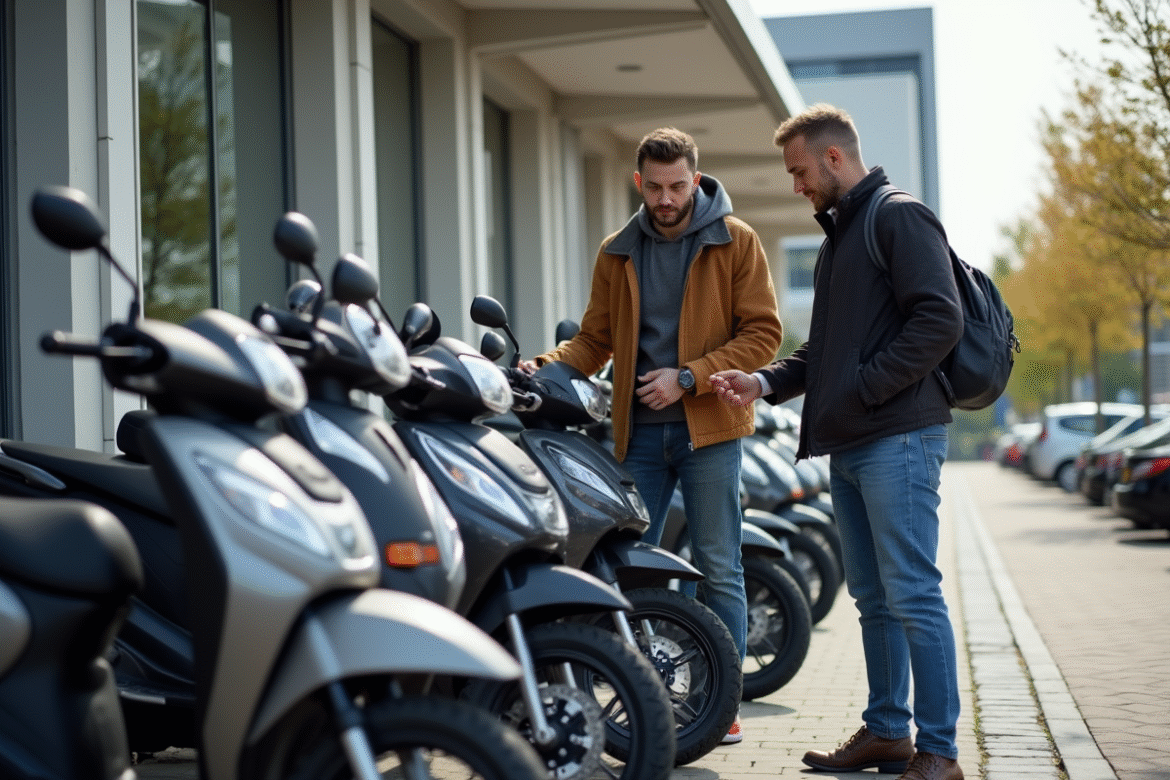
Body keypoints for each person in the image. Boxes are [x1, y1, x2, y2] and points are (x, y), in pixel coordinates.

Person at [710, 104, 965, 780]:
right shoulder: (837, 241)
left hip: (900, 438)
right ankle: (888, 731)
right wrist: (761, 383)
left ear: (832, 158)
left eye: (799, 171)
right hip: (854, 443)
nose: (795, 185)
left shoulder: (897, 216)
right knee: (874, 598)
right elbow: (823, 353)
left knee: (913, 592)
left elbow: (941, 317)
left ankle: (939, 750)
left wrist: (866, 387)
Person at [522, 127, 783, 744]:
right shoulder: (618, 249)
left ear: (696, 179)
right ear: (639, 182)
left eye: (677, 186)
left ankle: (722, 705)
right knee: (628, 567)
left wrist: (688, 377)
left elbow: (763, 336)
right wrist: (546, 366)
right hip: (638, 435)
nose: (666, 199)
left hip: (711, 431)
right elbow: (594, 338)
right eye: (655, 187)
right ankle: (638, 695)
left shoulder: (735, 241)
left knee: (719, 568)